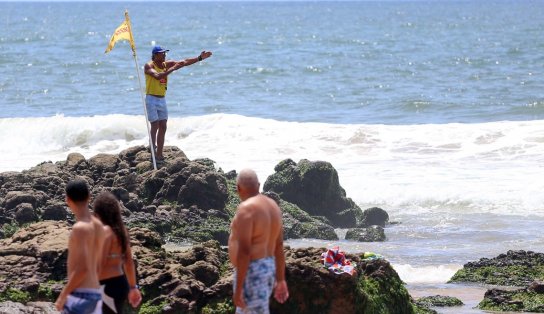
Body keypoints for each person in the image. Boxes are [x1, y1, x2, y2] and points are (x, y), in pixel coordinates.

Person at [228, 169, 289, 313]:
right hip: (268, 267)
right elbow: (279, 246)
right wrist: (280, 279)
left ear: (238, 188)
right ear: (259, 185)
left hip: (252, 270)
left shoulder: (246, 209)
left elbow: (245, 251)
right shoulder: (274, 207)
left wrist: (238, 290)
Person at [144, 45, 212, 163]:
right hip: (151, 99)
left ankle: (159, 154)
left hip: (162, 99)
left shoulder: (166, 64)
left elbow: (184, 62)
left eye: (165, 53)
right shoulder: (149, 65)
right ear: (155, 55)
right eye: (162, 53)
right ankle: (152, 151)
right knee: (154, 125)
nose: (164, 55)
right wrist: (173, 68)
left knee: (163, 125)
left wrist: (199, 57)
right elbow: (157, 76)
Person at [55, 179, 105, 314]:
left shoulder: (80, 228)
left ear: (67, 200)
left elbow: (82, 268)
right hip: (96, 293)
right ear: (89, 196)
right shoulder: (98, 225)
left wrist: (63, 295)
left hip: (81, 295)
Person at [93, 191, 142, 314]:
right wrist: (133, 287)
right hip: (120, 284)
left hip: (104, 286)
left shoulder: (104, 232)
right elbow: (129, 263)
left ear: (98, 214)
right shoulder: (121, 231)